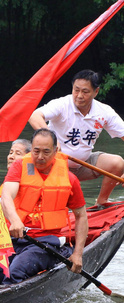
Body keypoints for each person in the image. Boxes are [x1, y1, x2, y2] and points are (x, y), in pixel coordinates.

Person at [0, 129, 89, 284]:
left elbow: (81, 216)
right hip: (14, 239)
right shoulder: (19, 168)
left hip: (46, 244)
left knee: (15, 273)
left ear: (56, 151)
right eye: (36, 151)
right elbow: (6, 196)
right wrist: (15, 220)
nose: (40, 157)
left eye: (46, 152)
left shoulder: (70, 179)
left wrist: (78, 254)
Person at [29, 69, 124, 206]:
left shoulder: (104, 111)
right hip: (56, 165)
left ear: (95, 92)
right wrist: (52, 141)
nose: (79, 96)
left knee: (117, 163)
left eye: (85, 92)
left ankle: (102, 201)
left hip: (84, 163)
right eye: (76, 90)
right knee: (31, 166)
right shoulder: (62, 104)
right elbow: (34, 116)